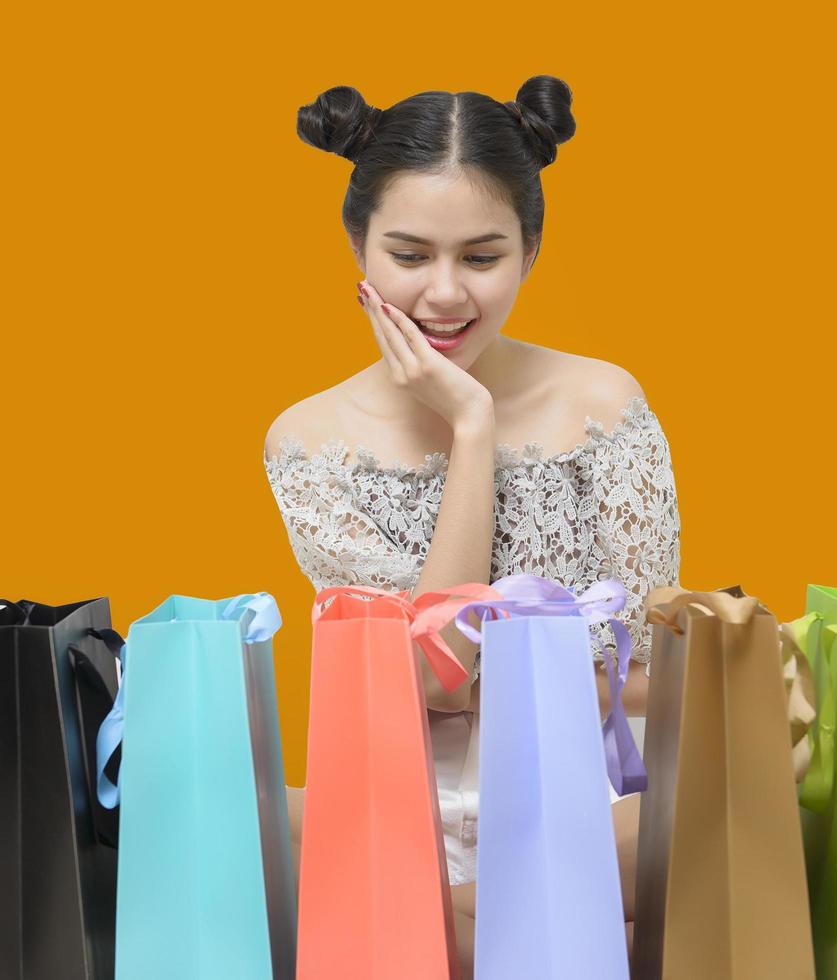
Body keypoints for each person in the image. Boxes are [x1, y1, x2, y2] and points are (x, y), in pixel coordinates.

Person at [263, 74, 681, 975]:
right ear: (358, 246)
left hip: (594, 793)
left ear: (531, 249)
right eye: (408, 255)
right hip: (414, 798)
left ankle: (463, 922)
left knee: (740, 836)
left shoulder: (603, 402)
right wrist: (471, 428)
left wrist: (521, 694)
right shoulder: (308, 441)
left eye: (481, 257)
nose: (443, 294)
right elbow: (431, 676)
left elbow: (653, 670)